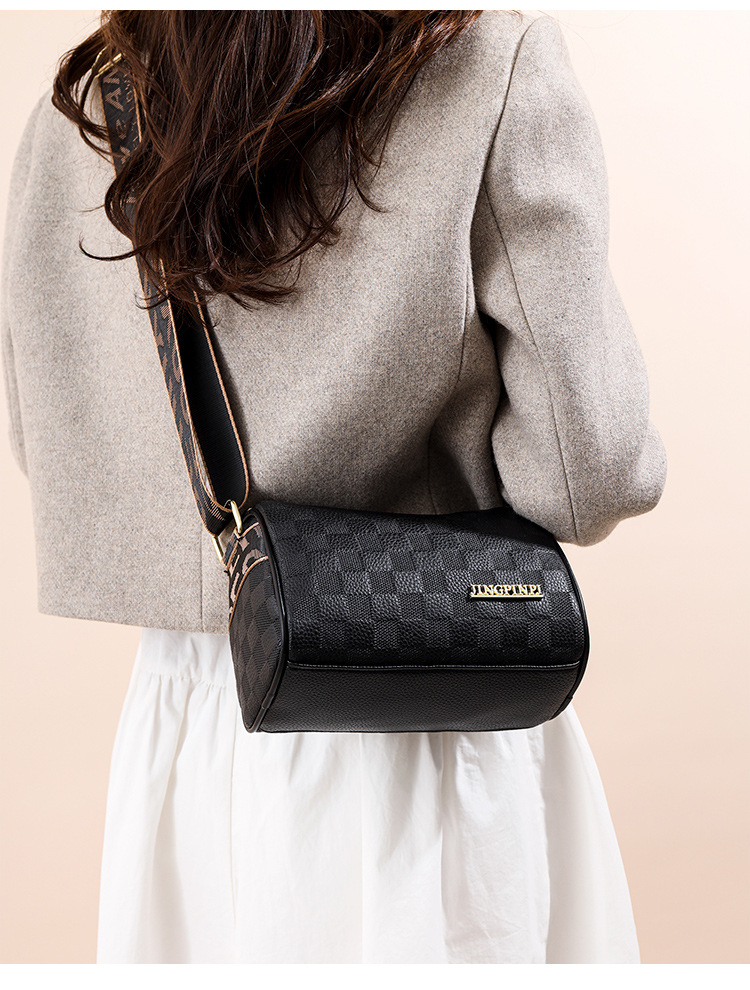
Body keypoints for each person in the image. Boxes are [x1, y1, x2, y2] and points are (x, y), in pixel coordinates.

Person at [1, 10, 667, 964]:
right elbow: (588, 472)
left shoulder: (88, 105)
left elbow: (48, 438)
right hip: (424, 710)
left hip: (181, 731)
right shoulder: (484, 65)